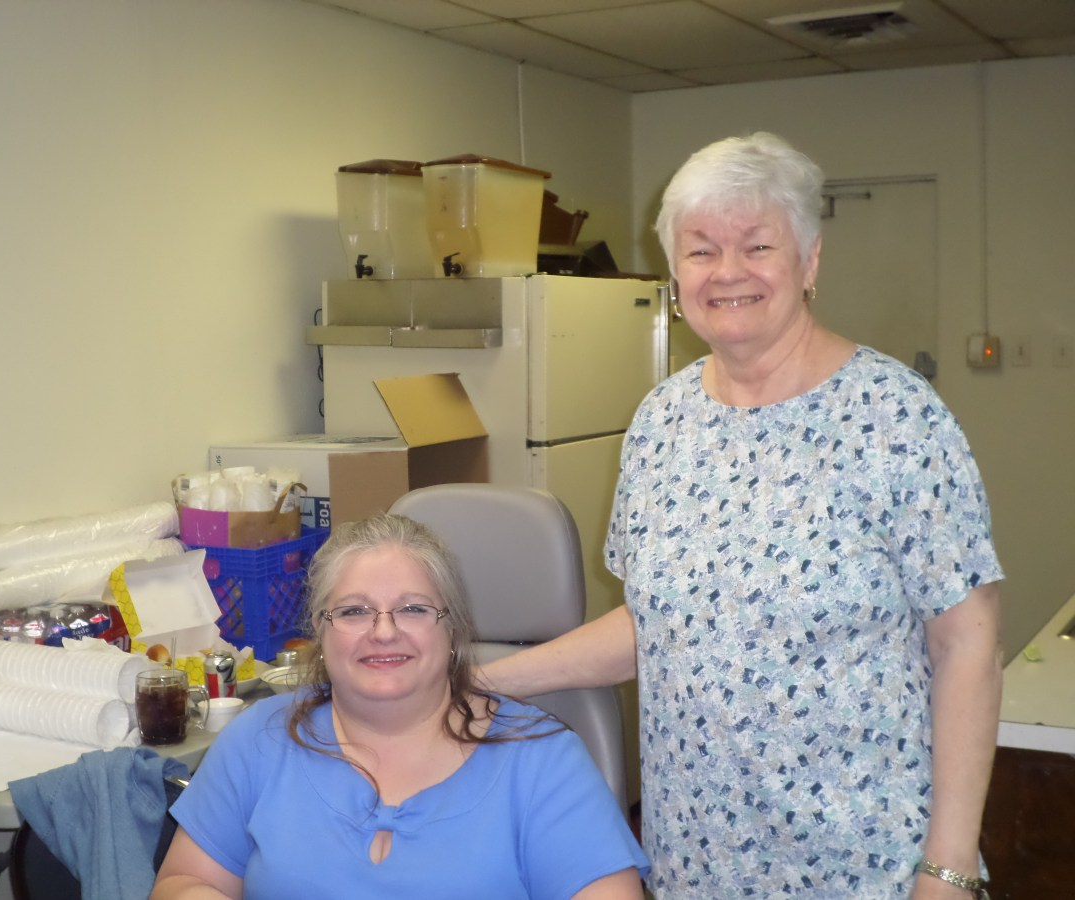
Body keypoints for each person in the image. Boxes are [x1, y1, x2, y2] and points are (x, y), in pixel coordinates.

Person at [482, 132, 1004, 898]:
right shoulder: (661, 423)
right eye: (701, 251)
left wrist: (947, 869)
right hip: (699, 864)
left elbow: (968, 645)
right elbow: (663, 625)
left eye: (758, 246)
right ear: (675, 274)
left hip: (867, 864)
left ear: (810, 261)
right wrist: (479, 680)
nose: (728, 271)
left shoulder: (896, 417)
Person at [151, 513, 649, 900]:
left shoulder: (544, 762)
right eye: (354, 611)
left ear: (452, 629)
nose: (384, 631)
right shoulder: (258, 741)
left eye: (413, 609)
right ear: (320, 632)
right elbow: (185, 882)